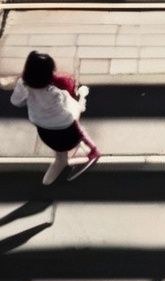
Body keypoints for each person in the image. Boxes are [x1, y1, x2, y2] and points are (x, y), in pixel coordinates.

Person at [9, 52, 101, 184]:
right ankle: (94, 151)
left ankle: (58, 167)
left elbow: (16, 102)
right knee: (78, 128)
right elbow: (74, 111)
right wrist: (82, 97)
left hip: (45, 132)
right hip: (68, 132)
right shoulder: (56, 93)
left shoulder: (23, 86)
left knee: (60, 152)